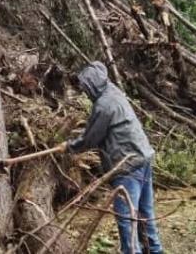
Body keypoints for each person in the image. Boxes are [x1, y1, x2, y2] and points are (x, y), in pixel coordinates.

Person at [62, 61, 163, 254]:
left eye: (85, 88)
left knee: (126, 219)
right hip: (143, 156)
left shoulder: (104, 105)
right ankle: (155, 250)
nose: (84, 92)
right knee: (144, 214)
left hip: (127, 165)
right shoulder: (113, 91)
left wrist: (68, 146)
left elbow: (90, 139)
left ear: (91, 85)